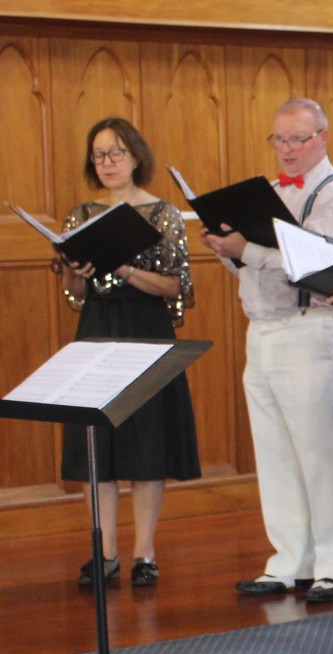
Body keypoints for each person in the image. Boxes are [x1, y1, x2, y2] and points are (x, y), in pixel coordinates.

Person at [202, 98, 333, 604]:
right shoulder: (269, 193)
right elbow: (255, 266)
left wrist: (247, 251)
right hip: (264, 330)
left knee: (317, 452)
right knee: (274, 453)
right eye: (280, 139)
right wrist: (228, 250)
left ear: (323, 136)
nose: (288, 150)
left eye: (299, 139)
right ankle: (289, 560)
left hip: (310, 328)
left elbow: (313, 266)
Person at [56, 117, 200, 588]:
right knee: (97, 444)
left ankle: (145, 553)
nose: (107, 163)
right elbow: (74, 292)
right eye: (98, 155)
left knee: (147, 442)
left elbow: (175, 287)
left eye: (116, 153)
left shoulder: (163, 215)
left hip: (147, 330)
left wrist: (123, 266)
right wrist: (75, 269)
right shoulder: (81, 214)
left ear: (136, 156)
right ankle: (106, 553)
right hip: (97, 328)